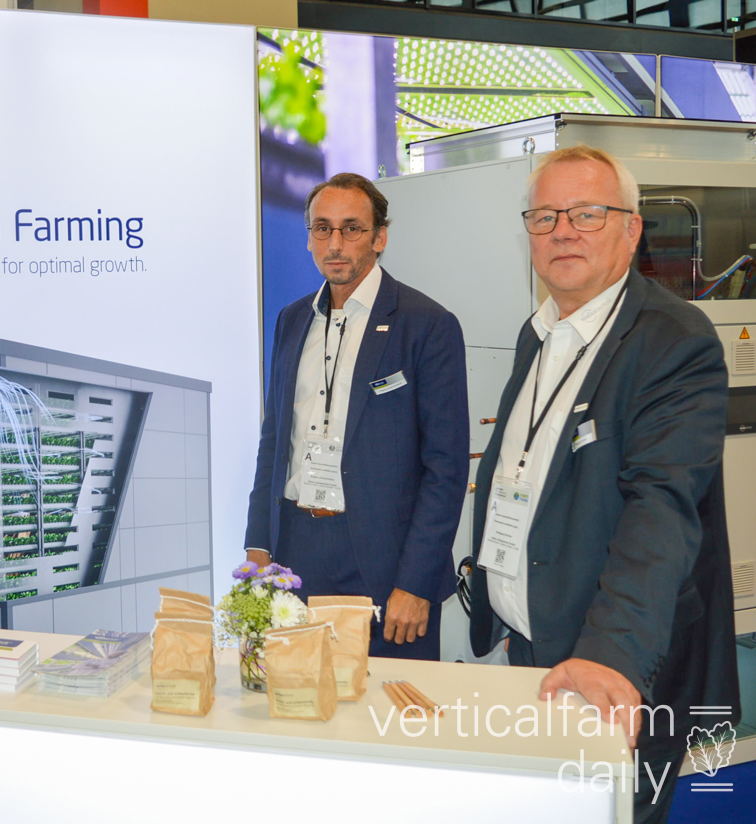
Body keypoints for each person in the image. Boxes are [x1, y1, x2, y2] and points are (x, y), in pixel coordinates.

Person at [468, 145, 739, 822]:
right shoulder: (540, 332)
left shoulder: (674, 341)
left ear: (632, 228)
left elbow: (661, 510)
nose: (563, 231)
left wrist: (608, 657)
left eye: (587, 214)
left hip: (615, 663)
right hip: (535, 649)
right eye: (545, 216)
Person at [245, 172, 469, 660]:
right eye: (322, 228)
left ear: (379, 237)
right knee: (297, 691)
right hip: (295, 550)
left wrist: (417, 581)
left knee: (389, 701)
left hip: (385, 560)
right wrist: (257, 544)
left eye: (352, 229)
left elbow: (446, 469)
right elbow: (273, 440)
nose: (335, 243)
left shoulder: (427, 325)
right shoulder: (291, 320)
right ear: (308, 237)